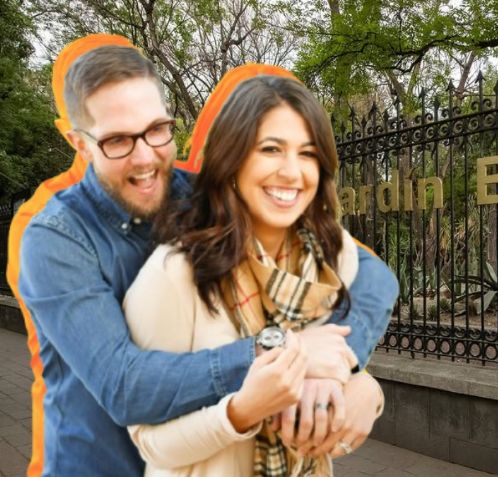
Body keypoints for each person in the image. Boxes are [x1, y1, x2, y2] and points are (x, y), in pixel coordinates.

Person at [9, 35, 397, 477]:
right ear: (79, 143)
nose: (146, 159)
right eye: (117, 140)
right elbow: (124, 385)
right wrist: (282, 354)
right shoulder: (54, 238)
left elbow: (372, 276)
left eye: (157, 130)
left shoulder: (203, 197)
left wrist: (349, 370)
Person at [122, 66, 386, 476]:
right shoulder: (175, 274)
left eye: (308, 153)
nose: (292, 171)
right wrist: (241, 412)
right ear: (232, 160)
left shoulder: (332, 259)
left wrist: (364, 388)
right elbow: (150, 441)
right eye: (270, 149)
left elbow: (333, 356)